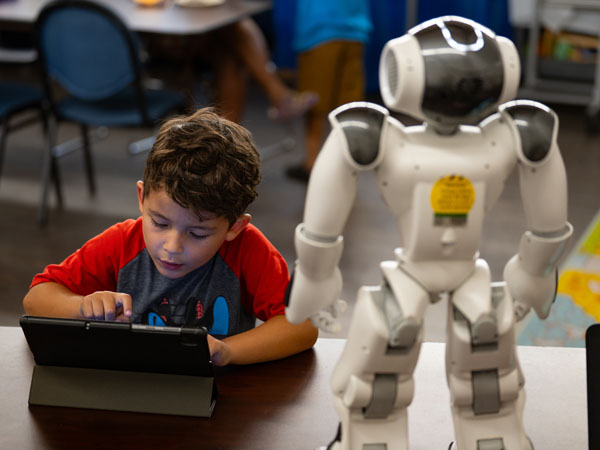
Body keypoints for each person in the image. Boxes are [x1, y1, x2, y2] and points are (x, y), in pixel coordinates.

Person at [23, 107, 318, 366]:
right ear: (142, 198)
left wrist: (227, 350)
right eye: (160, 223)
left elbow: (302, 327)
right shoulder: (122, 243)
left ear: (234, 227)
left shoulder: (247, 250)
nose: (172, 247)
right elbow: (37, 298)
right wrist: (81, 307)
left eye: (198, 233)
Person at [142, 18, 318, 124]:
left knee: (230, 57)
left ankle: (224, 142)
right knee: (236, 30)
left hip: (199, 36)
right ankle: (278, 94)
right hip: (160, 39)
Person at [286, 0, 372, 182]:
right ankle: (346, 164)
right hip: (354, 28)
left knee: (314, 102)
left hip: (319, 28)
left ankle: (312, 164)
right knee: (349, 106)